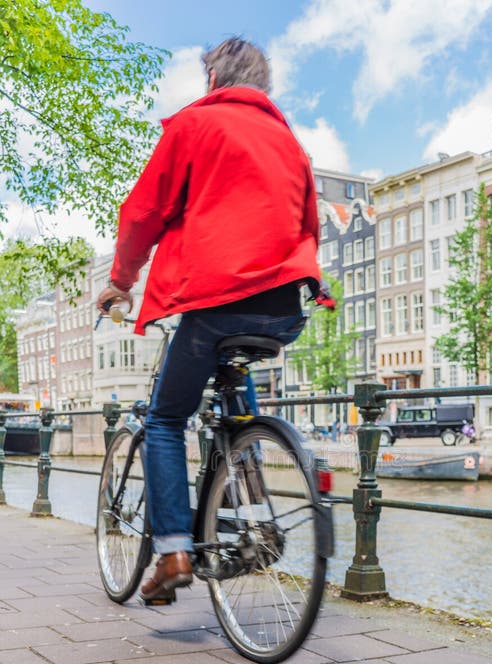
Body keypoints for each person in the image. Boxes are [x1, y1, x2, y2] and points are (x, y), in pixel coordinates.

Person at [97, 38, 323, 603]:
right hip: (286, 304)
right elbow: (309, 224)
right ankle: (246, 505)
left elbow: (143, 213)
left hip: (217, 300)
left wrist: (121, 282)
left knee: (167, 420)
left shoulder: (195, 127)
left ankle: (174, 548)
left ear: (214, 77)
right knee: (230, 397)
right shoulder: (290, 143)